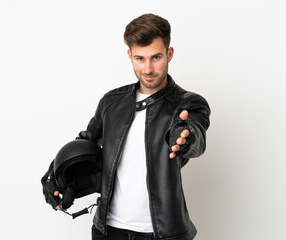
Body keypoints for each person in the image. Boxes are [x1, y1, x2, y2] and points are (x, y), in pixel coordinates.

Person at [42, 13, 210, 240]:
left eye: (156, 57)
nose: (148, 69)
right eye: (140, 58)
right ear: (130, 56)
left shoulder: (188, 104)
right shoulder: (112, 102)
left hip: (162, 233)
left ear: (169, 54)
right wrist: (52, 175)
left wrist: (184, 138)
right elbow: (84, 142)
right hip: (107, 230)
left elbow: (196, 137)